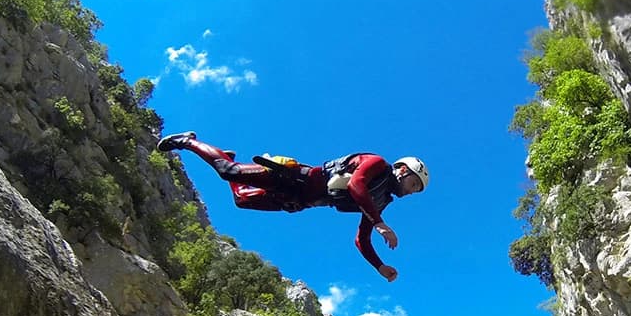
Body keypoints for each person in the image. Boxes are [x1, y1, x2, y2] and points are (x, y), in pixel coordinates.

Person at [156, 131, 429, 282]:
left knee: (241, 199)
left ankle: (224, 155)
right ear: (403, 171)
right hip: (294, 178)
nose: (412, 192)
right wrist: (380, 223)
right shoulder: (377, 164)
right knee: (229, 171)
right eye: (414, 184)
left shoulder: (379, 202)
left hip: (297, 201)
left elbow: (361, 240)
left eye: (417, 190)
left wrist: (379, 266)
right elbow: (356, 184)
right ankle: (188, 141)